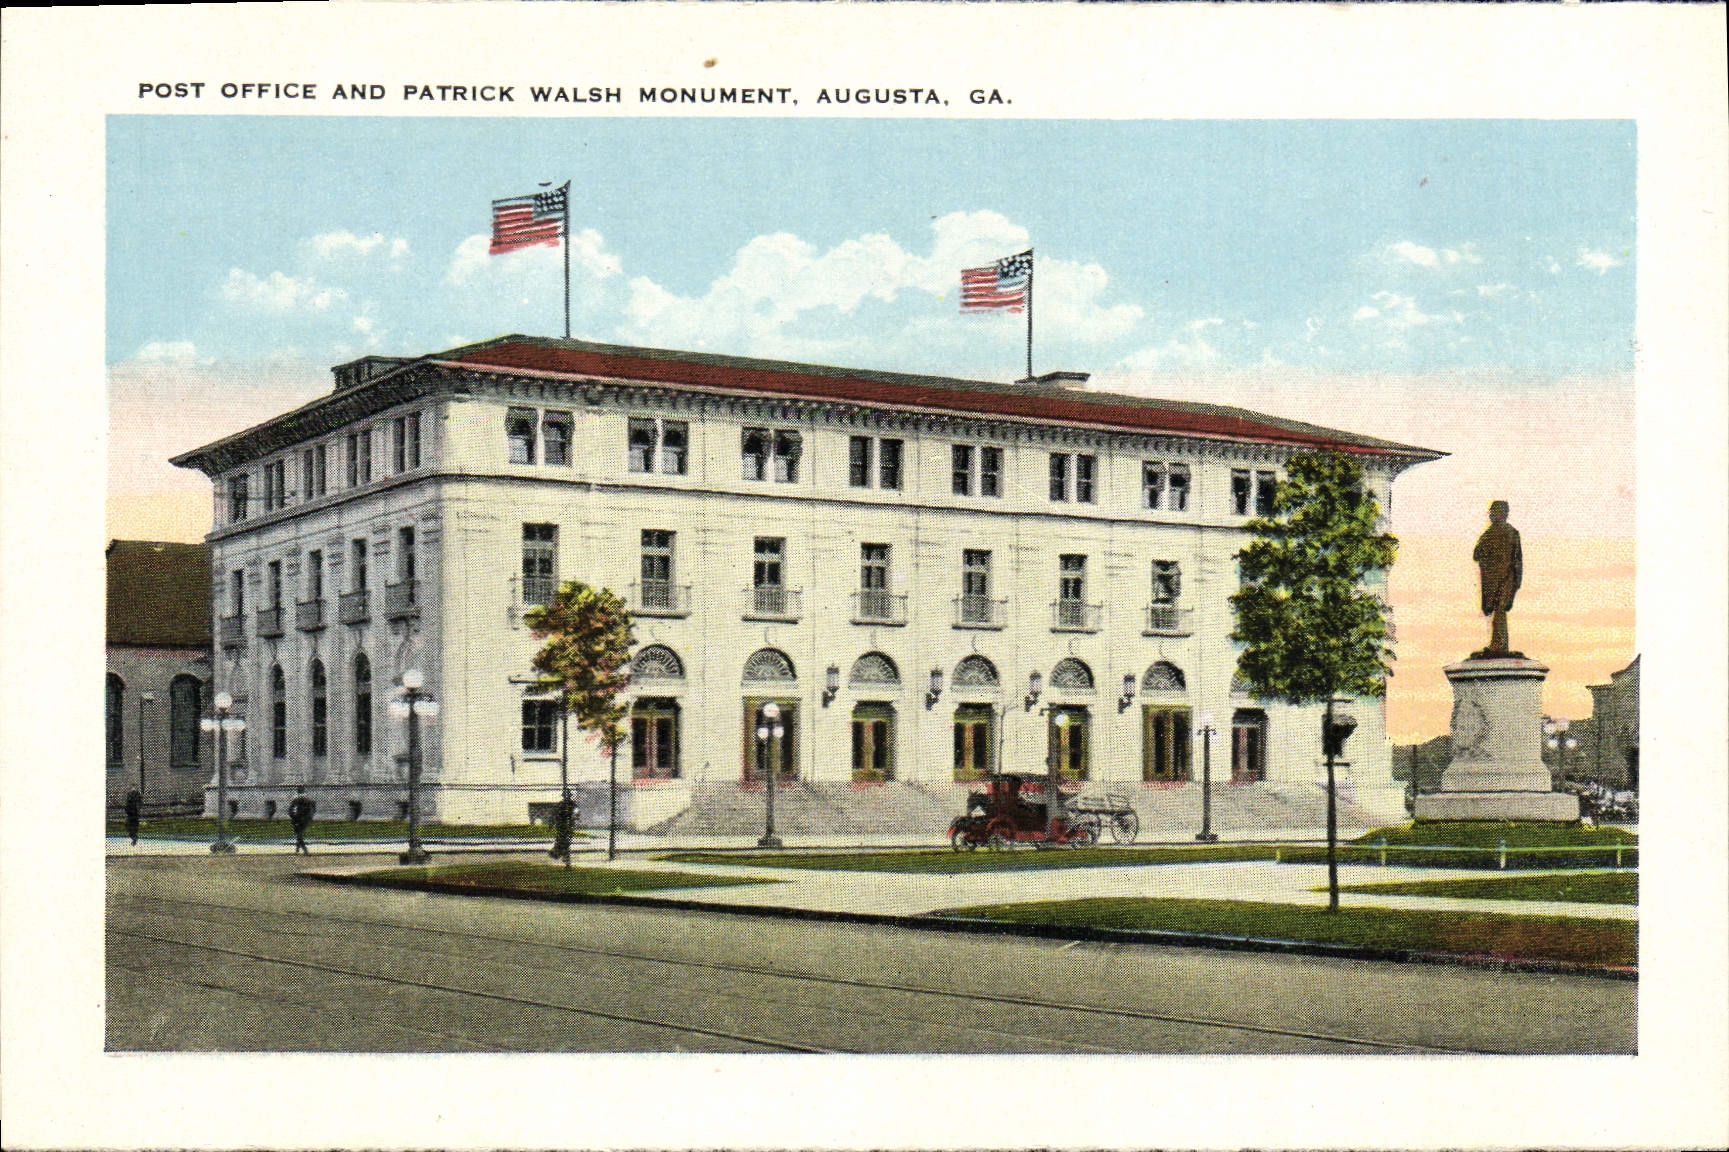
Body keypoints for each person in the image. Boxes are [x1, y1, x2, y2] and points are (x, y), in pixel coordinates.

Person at [1472, 499, 1523, 656]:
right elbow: (1477, 554)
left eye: (1496, 512)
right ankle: (1498, 646)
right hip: (1497, 579)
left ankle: (1499, 646)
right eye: (1493, 512)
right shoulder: (1496, 534)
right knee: (1498, 611)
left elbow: (1517, 560)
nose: (1493, 515)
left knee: (1499, 611)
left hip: (1503, 579)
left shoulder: (1496, 534)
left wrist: (1515, 580)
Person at [287, 788, 315, 856]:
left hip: (297, 819)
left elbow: (291, 810)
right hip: (304, 819)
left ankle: (304, 851)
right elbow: (311, 810)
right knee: (299, 835)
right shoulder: (307, 800)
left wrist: (293, 817)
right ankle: (298, 850)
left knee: (299, 835)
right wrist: (309, 818)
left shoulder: (296, 800)